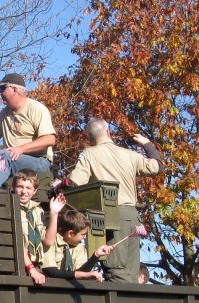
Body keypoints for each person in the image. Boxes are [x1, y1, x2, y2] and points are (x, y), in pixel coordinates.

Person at [60, 118, 162, 283]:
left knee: (116, 269)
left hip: (111, 215)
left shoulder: (89, 154)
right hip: (132, 216)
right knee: (131, 270)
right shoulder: (130, 155)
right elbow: (158, 166)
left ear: (90, 139)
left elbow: (74, 182)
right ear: (108, 132)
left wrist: (59, 184)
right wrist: (147, 144)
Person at [0, 73, 57, 192]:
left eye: (3, 88)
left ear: (14, 90)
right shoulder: (5, 113)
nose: (0, 92)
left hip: (38, 162)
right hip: (7, 162)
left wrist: (21, 149)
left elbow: (49, 139)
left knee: (3, 155)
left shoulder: (36, 108)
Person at [12, 169, 59, 286]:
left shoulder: (37, 211)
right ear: (13, 187)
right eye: (20, 187)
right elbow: (16, 243)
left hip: (36, 266)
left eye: (28, 188)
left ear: (35, 191)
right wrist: (31, 270)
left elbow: (48, 241)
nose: (23, 191)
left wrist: (54, 214)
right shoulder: (9, 209)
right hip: (18, 266)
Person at [40, 209, 112, 281]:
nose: (85, 237)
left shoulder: (79, 246)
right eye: (83, 234)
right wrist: (84, 275)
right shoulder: (50, 241)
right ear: (70, 234)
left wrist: (96, 255)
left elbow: (81, 273)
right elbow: (51, 271)